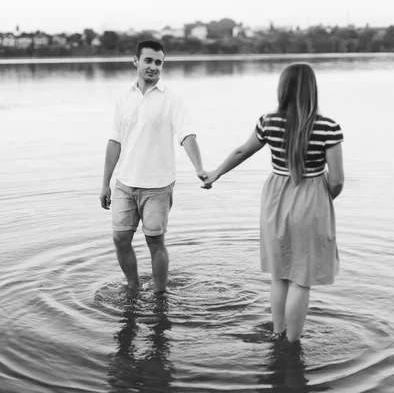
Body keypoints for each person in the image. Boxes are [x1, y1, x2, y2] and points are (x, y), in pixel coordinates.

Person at [202, 63, 344, 342]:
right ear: (312, 90)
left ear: (283, 89)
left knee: (279, 274)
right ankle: (292, 344)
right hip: (311, 200)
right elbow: (337, 180)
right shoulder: (328, 127)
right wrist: (321, 203)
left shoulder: (268, 122)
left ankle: (278, 335)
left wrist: (215, 173)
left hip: (275, 200)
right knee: (301, 279)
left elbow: (243, 151)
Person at [100, 40, 207, 294]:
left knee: (154, 242)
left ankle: (160, 296)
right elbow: (115, 140)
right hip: (125, 183)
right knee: (120, 239)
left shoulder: (171, 99)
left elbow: (186, 134)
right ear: (136, 61)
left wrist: (199, 167)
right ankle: (133, 287)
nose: (153, 67)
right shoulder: (123, 98)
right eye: (148, 60)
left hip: (158, 185)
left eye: (158, 62)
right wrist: (105, 183)